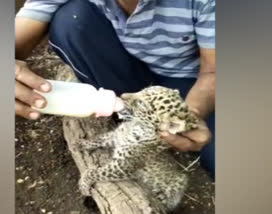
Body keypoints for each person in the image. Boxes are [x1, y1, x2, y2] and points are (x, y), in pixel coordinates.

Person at [15, 0, 216, 179]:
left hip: (188, 78)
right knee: (71, 19)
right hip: (125, 65)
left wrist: (190, 113)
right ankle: (127, 116)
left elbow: (213, 72)